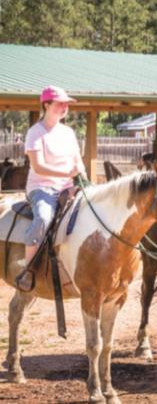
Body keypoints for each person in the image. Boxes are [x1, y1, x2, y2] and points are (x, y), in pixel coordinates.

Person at [16, 86, 86, 291]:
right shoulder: (35, 132)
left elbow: (78, 162)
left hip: (68, 188)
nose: (65, 107)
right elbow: (38, 166)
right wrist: (68, 174)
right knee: (44, 218)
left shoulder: (68, 132)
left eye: (66, 104)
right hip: (42, 189)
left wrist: (82, 179)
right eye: (60, 103)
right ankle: (28, 270)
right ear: (46, 105)